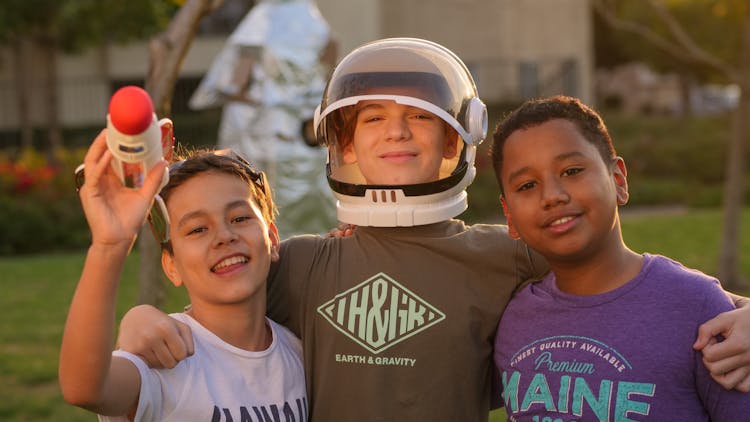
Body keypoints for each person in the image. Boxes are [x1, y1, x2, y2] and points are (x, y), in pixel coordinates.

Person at [116, 39, 750, 421]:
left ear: (457, 137)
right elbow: (218, 302)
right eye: (372, 119)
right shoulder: (302, 263)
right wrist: (142, 320)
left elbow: (636, 288)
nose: (395, 132)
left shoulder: (506, 254)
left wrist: (744, 312)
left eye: (417, 117)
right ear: (344, 142)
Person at [491, 95, 750, 420]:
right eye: (527, 185)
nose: (553, 196)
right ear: (509, 216)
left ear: (618, 180)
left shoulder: (698, 309)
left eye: (571, 170)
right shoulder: (513, 318)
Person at [58, 132, 307, 421]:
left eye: (240, 218)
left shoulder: (300, 352)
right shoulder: (164, 354)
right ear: (171, 266)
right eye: (198, 229)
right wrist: (109, 247)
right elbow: (84, 389)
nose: (224, 236)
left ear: (273, 239)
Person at [189, 0, 338, 237]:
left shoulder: (260, 23)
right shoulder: (315, 22)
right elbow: (331, 71)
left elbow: (238, 82)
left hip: (268, 136)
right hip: (306, 136)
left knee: (265, 200)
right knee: (315, 207)